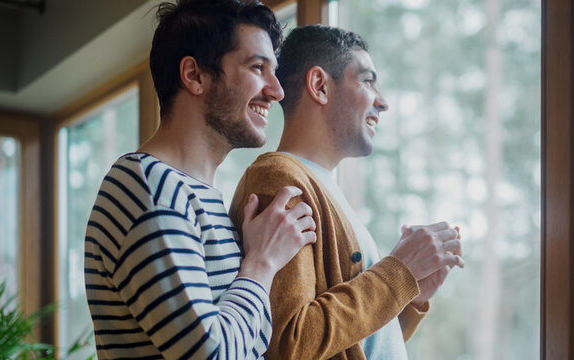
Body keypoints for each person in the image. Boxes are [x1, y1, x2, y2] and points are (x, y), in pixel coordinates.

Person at [83, 1, 316, 358]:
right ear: (194, 75)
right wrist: (261, 264)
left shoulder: (194, 195)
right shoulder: (147, 187)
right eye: (257, 67)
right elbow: (211, 354)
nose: (277, 90)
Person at [228, 25, 465, 360]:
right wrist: (399, 270)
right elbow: (290, 345)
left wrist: (408, 297)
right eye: (367, 80)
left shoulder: (324, 185)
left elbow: (353, 344)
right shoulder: (280, 179)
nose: (382, 101)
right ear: (320, 86)